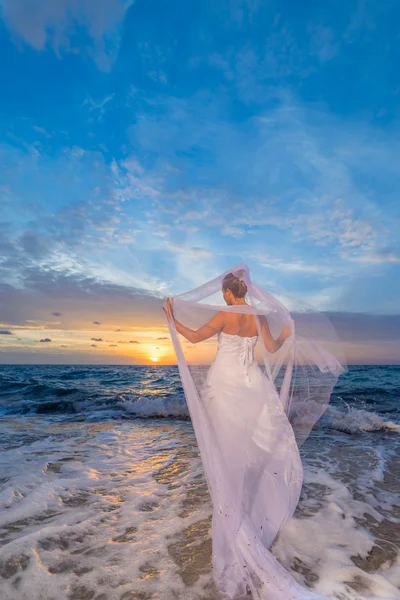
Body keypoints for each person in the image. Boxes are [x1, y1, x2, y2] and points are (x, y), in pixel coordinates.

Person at [163, 265, 344, 599]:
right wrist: (288, 333)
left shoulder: (224, 315)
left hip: (226, 385)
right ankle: (245, 509)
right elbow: (272, 348)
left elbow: (193, 337)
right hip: (253, 385)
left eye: (225, 293)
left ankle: (234, 517)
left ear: (231, 293)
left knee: (226, 450)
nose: (223, 298)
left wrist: (171, 317)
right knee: (249, 448)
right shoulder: (258, 316)